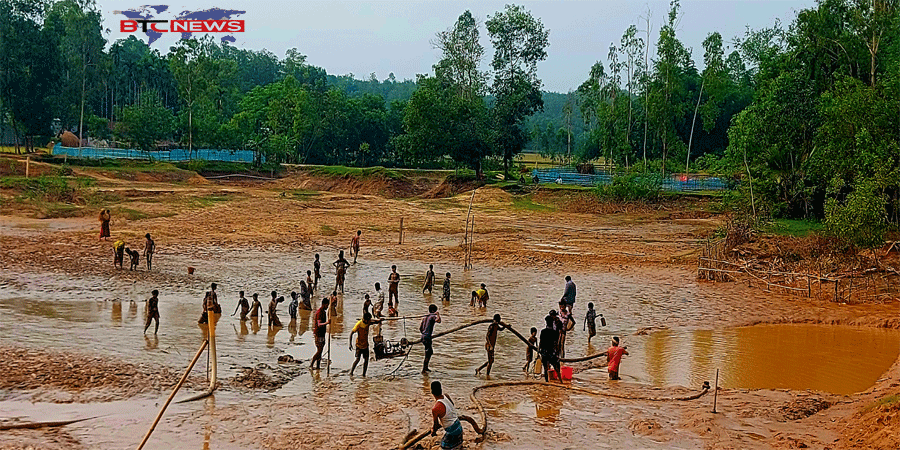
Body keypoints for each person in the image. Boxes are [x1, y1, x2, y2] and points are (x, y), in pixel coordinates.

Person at [430, 381, 463, 450]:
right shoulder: (446, 396)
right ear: (441, 390)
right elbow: (452, 405)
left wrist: (433, 431)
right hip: (459, 426)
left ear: (432, 393)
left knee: (443, 446)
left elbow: (436, 425)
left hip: (452, 431)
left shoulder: (435, 408)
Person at [349, 312, 381, 376]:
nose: (369, 321)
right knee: (357, 359)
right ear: (365, 319)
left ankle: (364, 374)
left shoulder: (368, 322)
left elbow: (374, 322)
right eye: (368, 320)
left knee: (366, 360)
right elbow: (351, 333)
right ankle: (351, 372)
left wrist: (379, 320)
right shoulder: (359, 324)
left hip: (365, 345)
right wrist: (350, 344)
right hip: (359, 344)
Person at [539, 315, 561, 382]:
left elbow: (541, 343)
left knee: (545, 368)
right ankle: (560, 381)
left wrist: (538, 351)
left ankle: (546, 381)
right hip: (551, 352)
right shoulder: (554, 333)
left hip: (544, 352)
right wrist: (557, 353)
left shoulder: (543, 332)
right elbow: (556, 344)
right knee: (557, 367)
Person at [310, 298, 331, 370]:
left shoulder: (324, 312)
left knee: (321, 350)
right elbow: (319, 324)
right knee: (319, 350)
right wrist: (327, 323)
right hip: (318, 334)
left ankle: (318, 366)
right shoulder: (319, 312)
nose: (327, 306)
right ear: (324, 304)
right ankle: (312, 364)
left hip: (322, 334)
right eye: (327, 305)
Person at [420, 304, 441, 373]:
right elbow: (439, 321)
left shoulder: (425, 317)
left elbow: (420, 328)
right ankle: (424, 369)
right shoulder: (432, 317)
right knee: (428, 352)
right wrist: (438, 315)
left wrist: (425, 333)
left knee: (429, 351)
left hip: (423, 336)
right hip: (427, 337)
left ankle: (425, 368)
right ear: (434, 311)